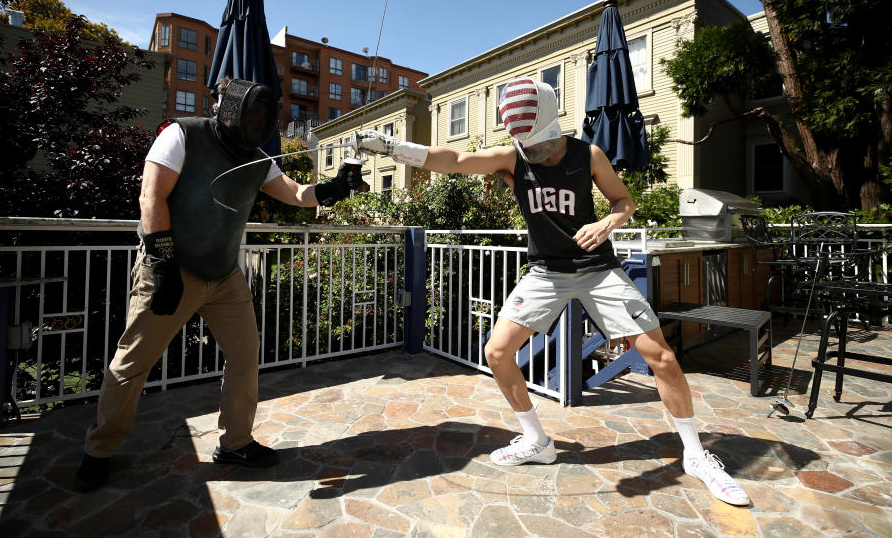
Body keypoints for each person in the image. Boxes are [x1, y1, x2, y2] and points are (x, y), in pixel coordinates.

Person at [355, 77, 750, 506]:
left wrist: (606, 224)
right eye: (529, 149)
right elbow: (454, 158)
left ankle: (694, 453)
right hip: (546, 271)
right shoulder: (511, 157)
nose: (536, 155)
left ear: (554, 127)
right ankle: (537, 441)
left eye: (541, 146)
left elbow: (625, 202)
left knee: (662, 357)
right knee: (496, 352)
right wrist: (394, 148)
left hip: (598, 269)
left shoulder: (589, 154)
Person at [76, 78, 363, 491]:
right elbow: (150, 198)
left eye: (266, 116)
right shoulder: (181, 134)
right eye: (254, 114)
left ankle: (236, 442)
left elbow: (298, 193)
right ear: (230, 110)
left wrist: (333, 189)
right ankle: (99, 450)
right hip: (171, 267)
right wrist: (164, 265)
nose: (260, 122)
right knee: (133, 362)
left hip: (225, 274)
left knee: (245, 355)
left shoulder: (258, 159)